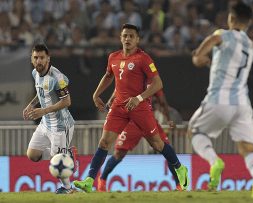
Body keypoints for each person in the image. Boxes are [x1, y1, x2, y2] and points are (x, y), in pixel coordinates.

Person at [73, 23, 189, 192]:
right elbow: (108, 76)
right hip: (119, 107)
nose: (127, 39)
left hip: (140, 107)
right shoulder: (113, 57)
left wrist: (139, 98)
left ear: (137, 39)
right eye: (125, 36)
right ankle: (89, 181)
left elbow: (158, 84)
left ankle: (180, 168)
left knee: (157, 144)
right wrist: (96, 94)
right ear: (121, 38)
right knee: (104, 142)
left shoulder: (143, 58)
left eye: (131, 36)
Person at [189, 2, 253, 198]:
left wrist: (198, 58)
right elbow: (228, 67)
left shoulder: (221, 35)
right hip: (242, 103)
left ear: (231, 18)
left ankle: (215, 162)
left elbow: (198, 56)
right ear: (248, 22)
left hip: (219, 100)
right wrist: (211, 62)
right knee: (247, 148)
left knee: (195, 131)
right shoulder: (250, 45)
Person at [97, 89, 182, 192]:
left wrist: (111, 100)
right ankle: (102, 179)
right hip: (135, 121)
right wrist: (168, 119)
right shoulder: (150, 79)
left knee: (167, 150)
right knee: (120, 153)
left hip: (146, 120)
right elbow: (162, 101)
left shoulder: (151, 79)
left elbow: (161, 100)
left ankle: (179, 184)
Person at [23, 44, 77, 194]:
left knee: (58, 165)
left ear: (48, 58)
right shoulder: (35, 73)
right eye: (36, 58)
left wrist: (43, 111)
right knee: (32, 155)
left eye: (41, 57)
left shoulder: (57, 78)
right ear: (32, 59)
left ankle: (68, 189)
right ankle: (65, 153)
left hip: (61, 126)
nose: (39, 61)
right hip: (45, 123)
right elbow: (41, 93)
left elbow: (67, 102)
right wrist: (31, 105)